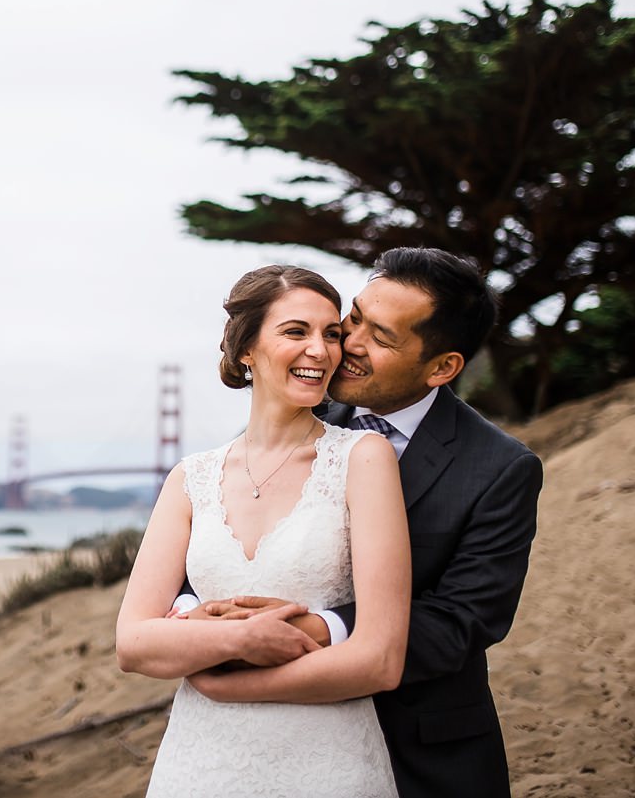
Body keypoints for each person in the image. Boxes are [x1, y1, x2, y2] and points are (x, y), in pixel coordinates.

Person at [185, 248, 544, 798]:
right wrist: (199, 616)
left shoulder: (500, 469)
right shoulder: (302, 409)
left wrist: (315, 630)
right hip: (267, 745)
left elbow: (462, 621)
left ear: (442, 367)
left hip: (417, 748)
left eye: (380, 338)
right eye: (353, 317)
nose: (346, 345)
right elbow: (219, 538)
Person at [116, 265, 411, 797]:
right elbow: (133, 643)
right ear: (247, 348)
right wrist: (238, 638)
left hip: (327, 763)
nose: (320, 351)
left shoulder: (364, 458)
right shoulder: (192, 477)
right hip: (198, 765)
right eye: (296, 332)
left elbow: (380, 660)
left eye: (331, 334)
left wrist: (226, 681)